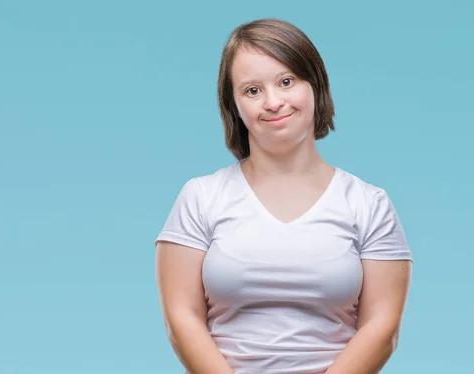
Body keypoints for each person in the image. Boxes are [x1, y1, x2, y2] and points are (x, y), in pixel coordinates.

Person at [154, 18, 413, 374]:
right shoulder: (200, 197)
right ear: (235, 106)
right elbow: (181, 320)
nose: (273, 102)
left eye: (286, 81)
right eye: (252, 90)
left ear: (315, 85)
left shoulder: (369, 204)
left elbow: (382, 329)